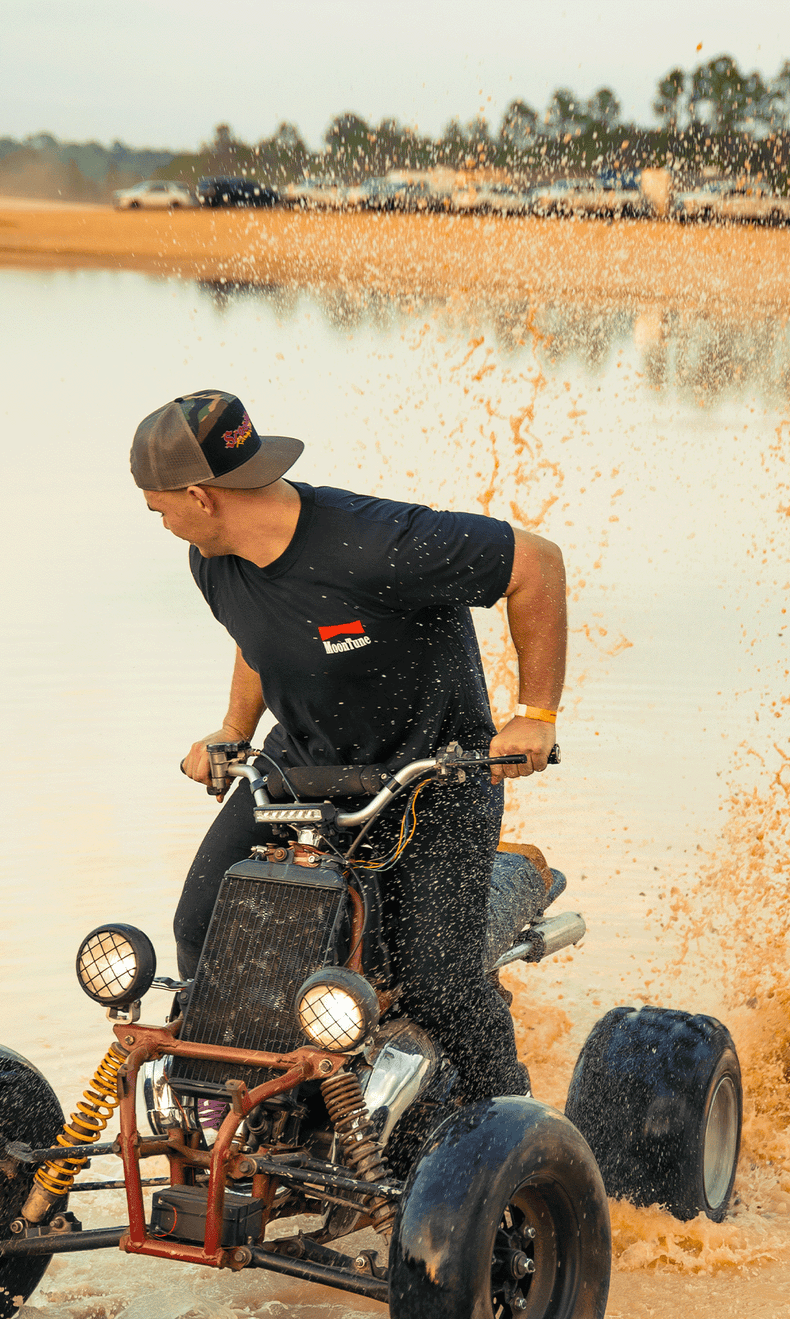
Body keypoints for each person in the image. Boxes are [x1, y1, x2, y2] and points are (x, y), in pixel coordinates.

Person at [130, 389, 566, 1103]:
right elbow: (260, 637)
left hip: (436, 776)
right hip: (302, 770)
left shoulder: (377, 543)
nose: (162, 523)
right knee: (204, 924)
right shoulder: (214, 556)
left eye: (160, 507)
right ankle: (246, 1110)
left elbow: (535, 564)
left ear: (201, 495)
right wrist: (234, 732)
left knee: (434, 976)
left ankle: (509, 1120)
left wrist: (536, 713)